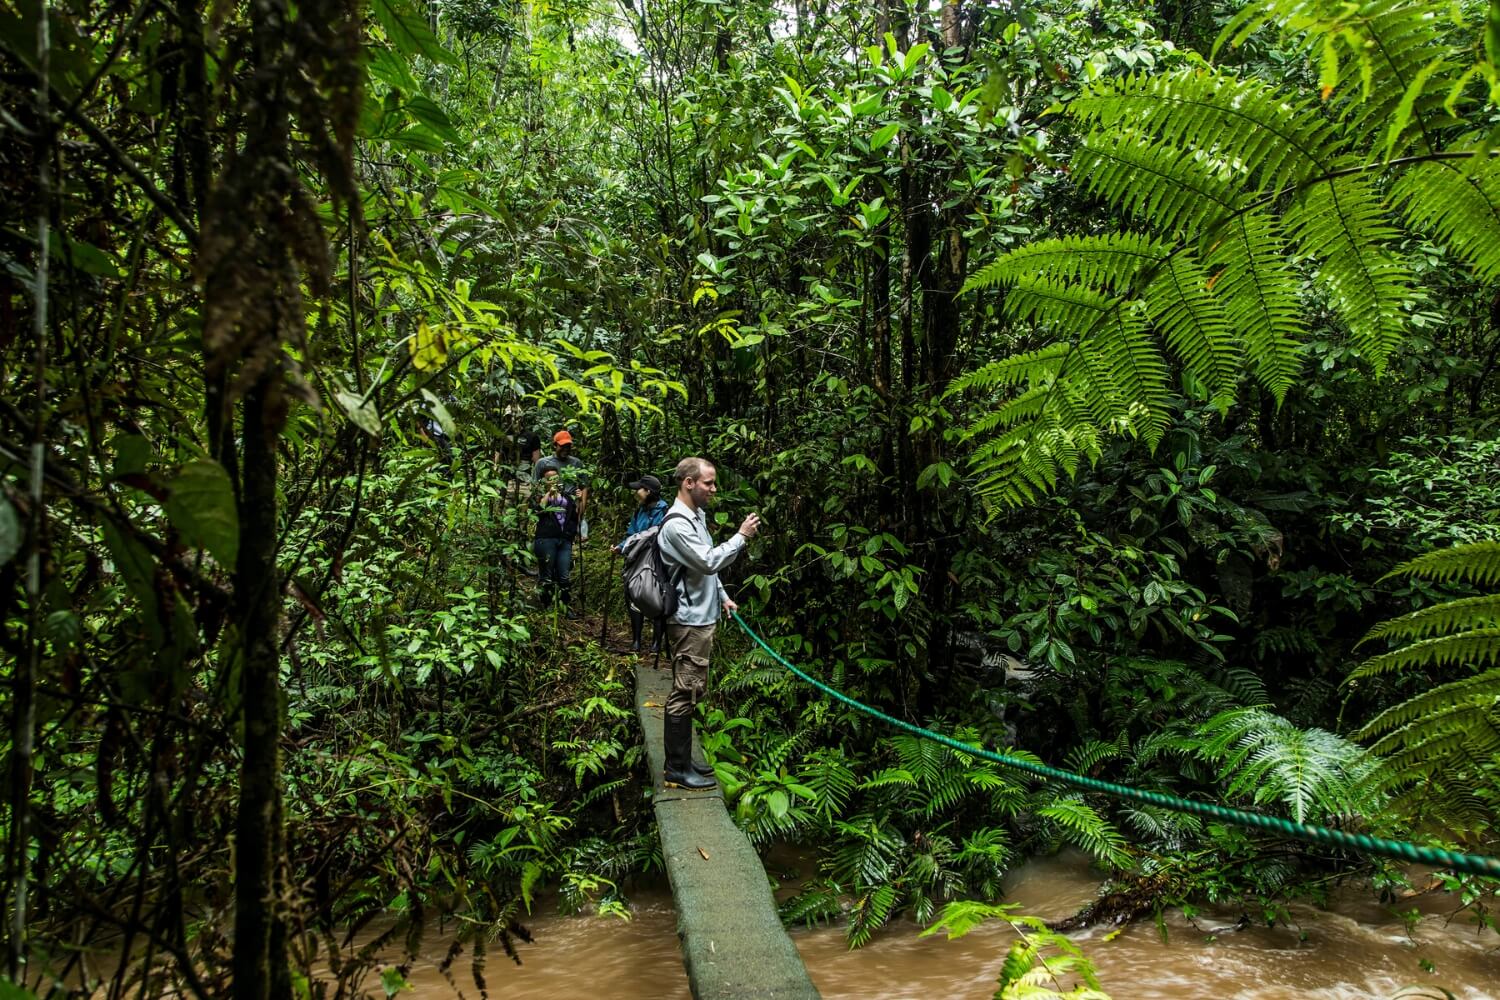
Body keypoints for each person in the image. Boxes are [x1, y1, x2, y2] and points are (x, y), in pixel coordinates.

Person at [656, 457, 761, 790]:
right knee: (684, 690)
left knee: (693, 688)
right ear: (689, 483)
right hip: (688, 620)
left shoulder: (696, 517)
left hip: (702, 615)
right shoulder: (676, 525)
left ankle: (685, 760)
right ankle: (676, 768)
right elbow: (709, 559)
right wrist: (741, 537)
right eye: (708, 483)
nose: (714, 489)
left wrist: (722, 595)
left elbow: (703, 569)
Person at [615, 474, 669, 652]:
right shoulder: (640, 510)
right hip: (636, 559)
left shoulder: (664, 511)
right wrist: (620, 547)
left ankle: (656, 643)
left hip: (657, 560)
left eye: (639, 488)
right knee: (632, 593)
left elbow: (659, 534)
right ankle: (636, 640)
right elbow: (632, 532)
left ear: (648, 491)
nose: (636, 491)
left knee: (658, 596)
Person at [531, 469, 579, 614]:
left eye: (556, 478)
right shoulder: (539, 496)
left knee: (564, 575)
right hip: (546, 538)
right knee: (547, 575)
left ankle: (565, 607)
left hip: (564, 540)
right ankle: (547, 607)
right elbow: (538, 511)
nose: (554, 481)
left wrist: (579, 499)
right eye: (550, 478)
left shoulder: (567, 497)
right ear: (544, 481)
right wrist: (549, 494)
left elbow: (575, 516)